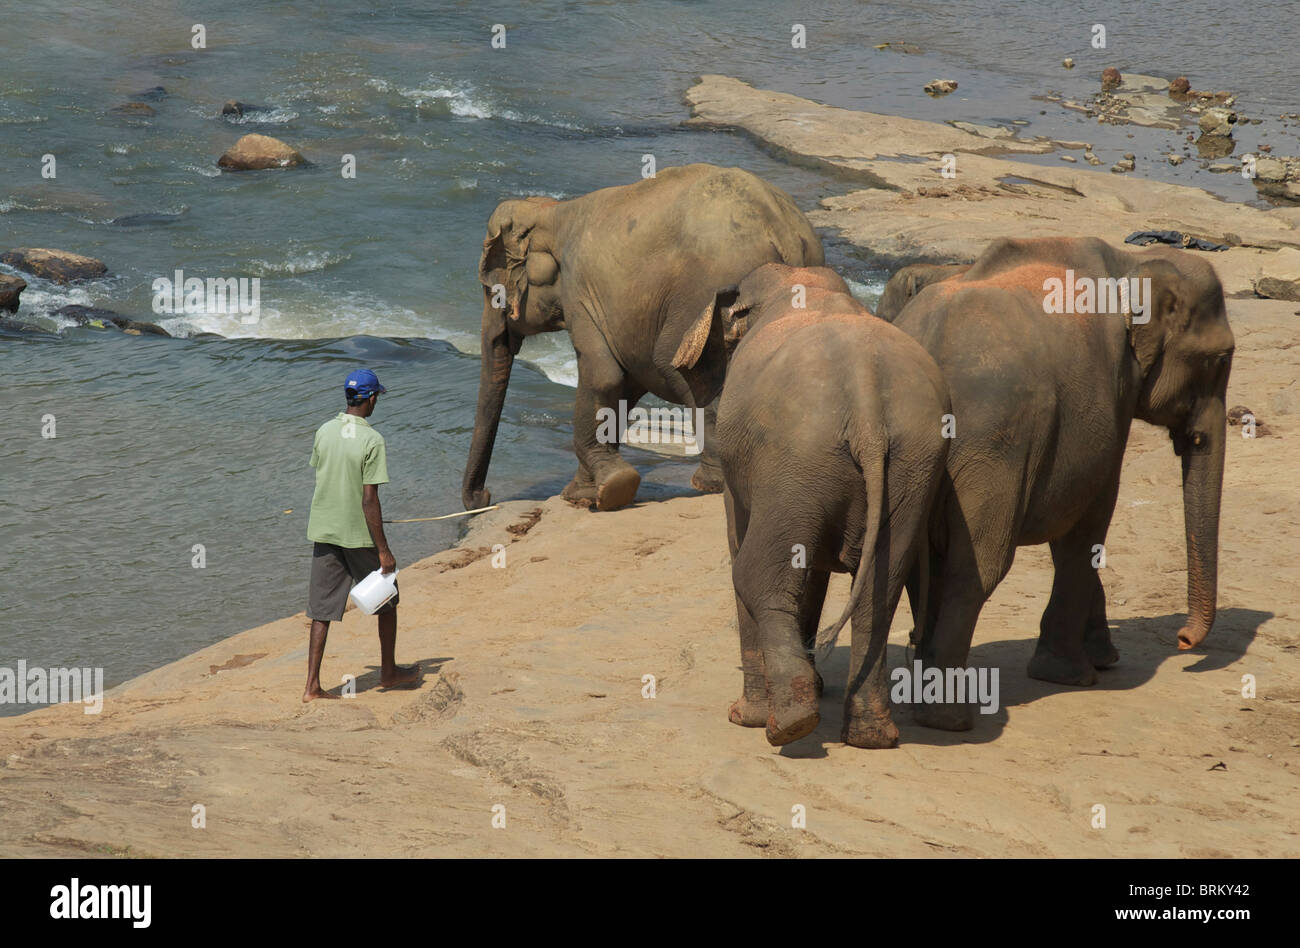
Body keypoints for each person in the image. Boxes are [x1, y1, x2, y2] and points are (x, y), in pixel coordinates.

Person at [303, 368, 419, 701]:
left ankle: (312, 686)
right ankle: (389, 671)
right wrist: (383, 549)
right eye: (376, 397)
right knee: (388, 599)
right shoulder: (372, 440)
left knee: (321, 612)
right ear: (370, 398)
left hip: (324, 531)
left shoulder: (324, 430)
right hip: (357, 535)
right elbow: (369, 499)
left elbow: (325, 477)